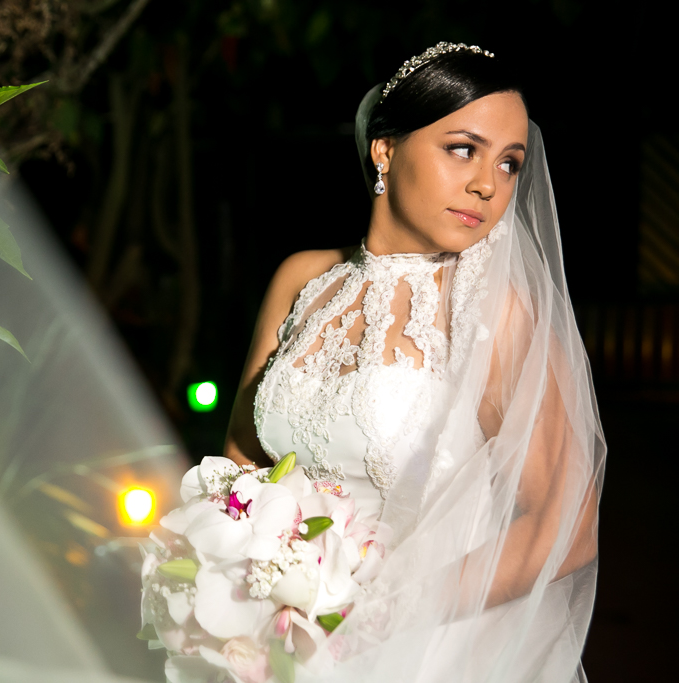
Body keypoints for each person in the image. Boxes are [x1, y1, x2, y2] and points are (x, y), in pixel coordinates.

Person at [223, 43, 604, 682]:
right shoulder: (302, 279)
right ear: (385, 149)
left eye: (510, 164)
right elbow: (241, 460)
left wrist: (375, 612)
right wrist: (238, 576)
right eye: (464, 149)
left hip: (432, 652)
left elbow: (566, 530)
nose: (488, 184)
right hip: (279, 637)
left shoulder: (490, 310)